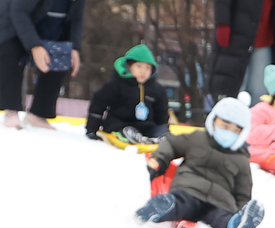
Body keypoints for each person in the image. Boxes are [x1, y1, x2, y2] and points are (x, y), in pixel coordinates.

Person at [132, 96, 265, 228]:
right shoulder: (197, 139)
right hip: (190, 190)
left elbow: (243, 193)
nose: (229, 133)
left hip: (219, 202)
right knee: (181, 204)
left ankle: (237, 225)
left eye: (236, 130)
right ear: (213, 119)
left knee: (222, 218)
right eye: (225, 125)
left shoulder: (241, 159)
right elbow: (171, 144)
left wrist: (242, 211)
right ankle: (158, 208)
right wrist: (160, 160)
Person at [1, 0, 86, 130]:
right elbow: (18, 12)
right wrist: (34, 46)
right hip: (14, 27)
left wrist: (74, 48)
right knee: (11, 52)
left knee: (62, 54)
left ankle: (38, 114)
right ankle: (10, 110)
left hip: (50, 30)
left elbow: (76, 20)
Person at [210, 0, 275, 101]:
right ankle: (232, 109)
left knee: (260, 92)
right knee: (235, 88)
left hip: (265, 40)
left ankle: (258, 111)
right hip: (236, 39)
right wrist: (222, 24)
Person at [83, 44, 168, 144]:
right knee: (121, 128)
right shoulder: (117, 84)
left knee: (160, 131)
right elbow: (98, 103)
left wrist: (162, 128)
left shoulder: (156, 89)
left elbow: (161, 113)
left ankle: (160, 138)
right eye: (139, 66)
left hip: (146, 127)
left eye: (147, 68)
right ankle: (127, 135)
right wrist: (92, 129)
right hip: (119, 123)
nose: (143, 71)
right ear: (129, 65)